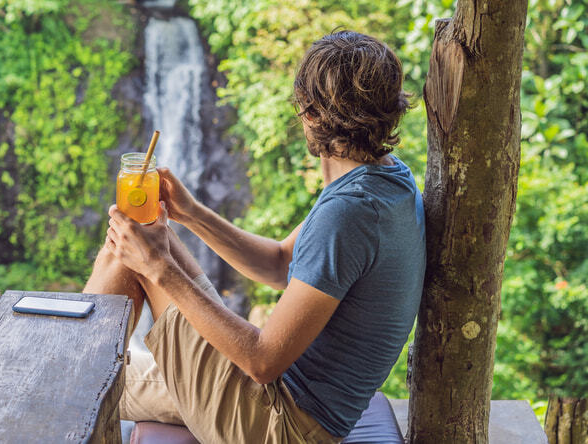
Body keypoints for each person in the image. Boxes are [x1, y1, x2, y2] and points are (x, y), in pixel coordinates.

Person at [83, 30, 426, 443]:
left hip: (280, 425)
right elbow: (280, 264)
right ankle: (77, 374)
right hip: (283, 403)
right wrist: (192, 214)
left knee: (134, 244)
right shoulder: (386, 180)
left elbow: (263, 362)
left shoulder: (350, 214)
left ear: (309, 114)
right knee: (94, 373)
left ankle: (73, 371)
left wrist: (159, 269)